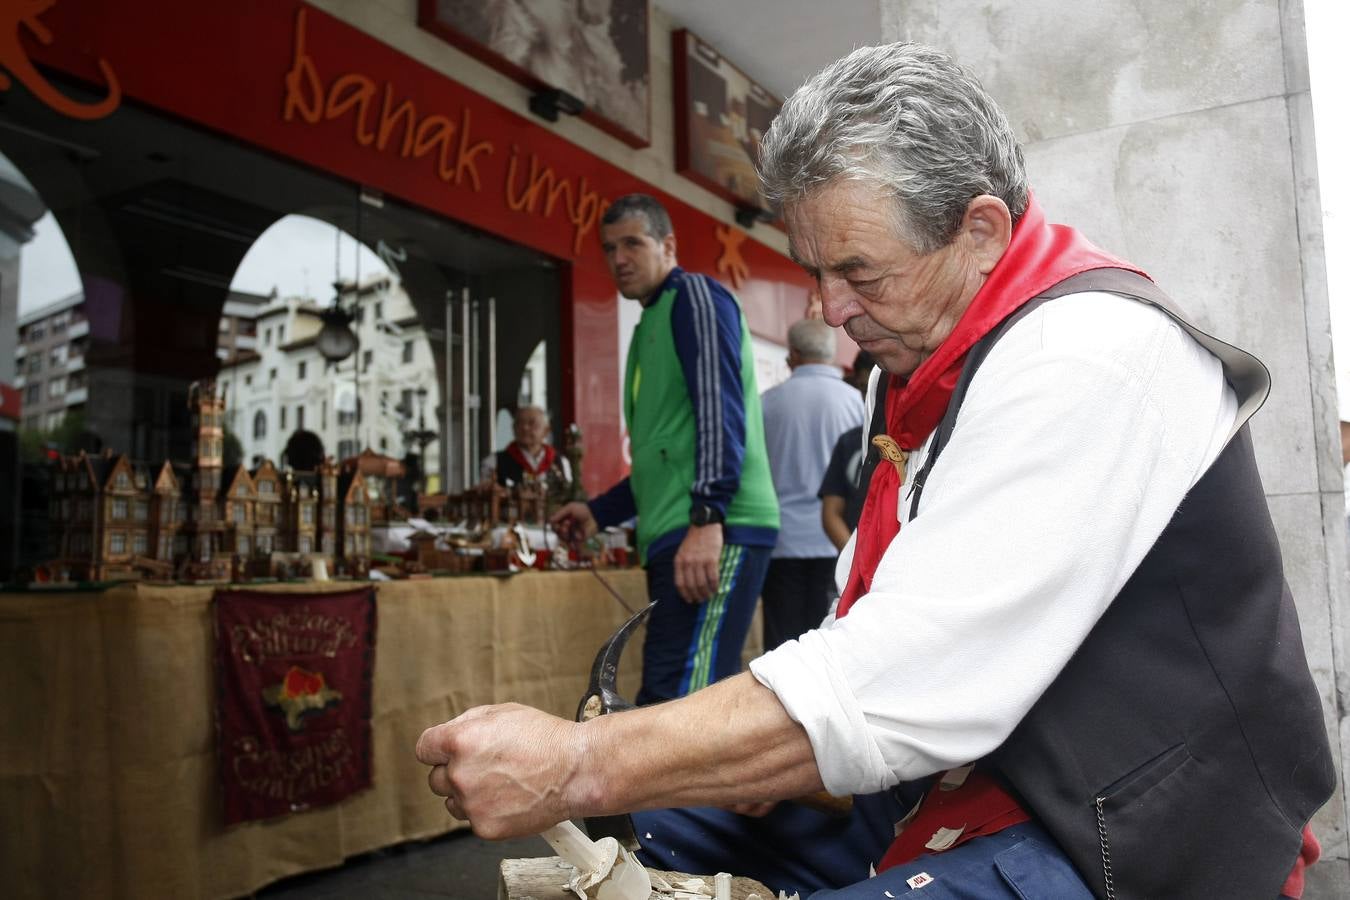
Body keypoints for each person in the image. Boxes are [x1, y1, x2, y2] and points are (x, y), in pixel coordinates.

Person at [417, 44, 1334, 899]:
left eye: (859, 271)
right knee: (673, 823)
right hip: (980, 774)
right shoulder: (918, 363)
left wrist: (578, 760)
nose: (830, 309)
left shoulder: (1087, 354)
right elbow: (869, 608)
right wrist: (754, 760)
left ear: (980, 230)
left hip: (1134, 824)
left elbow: (908, 679)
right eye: (815, 272)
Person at [548, 193, 779, 705]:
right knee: (667, 696)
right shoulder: (651, 322)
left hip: (712, 527)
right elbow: (664, 454)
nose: (619, 259)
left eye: (633, 243)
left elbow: (720, 413)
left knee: (682, 704)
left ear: (667, 245)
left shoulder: (692, 296)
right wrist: (598, 510)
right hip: (682, 530)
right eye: (609, 248)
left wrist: (707, 516)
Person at [759, 319, 864, 650]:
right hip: (840, 543)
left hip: (783, 540)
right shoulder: (856, 402)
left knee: (781, 647)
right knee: (831, 645)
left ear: (793, 354)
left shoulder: (767, 403)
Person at [818, 351, 876, 552]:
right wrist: (854, 559)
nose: (869, 396)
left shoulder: (918, 439)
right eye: (863, 388)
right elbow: (831, 513)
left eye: (876, 386)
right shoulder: (850, 441)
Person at [481, 404, 572, 487]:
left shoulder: (561, 462)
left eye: (532, 423)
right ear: (513, 428)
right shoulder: (494, 462)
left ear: (546, 431)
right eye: (519, 423)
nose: (525, 428)